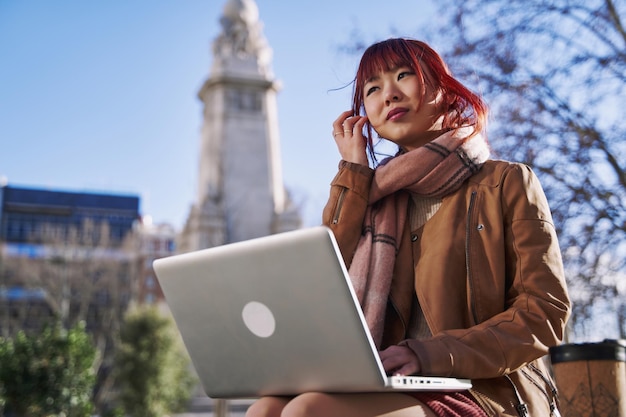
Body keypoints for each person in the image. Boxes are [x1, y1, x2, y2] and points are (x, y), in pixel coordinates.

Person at [245, 38, 571, 417]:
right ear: (363, 116)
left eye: (404, 75)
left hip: (484, 388)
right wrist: (353, 175)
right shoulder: (370, 199)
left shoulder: (505, 182)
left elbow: (543, 313)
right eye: (372, 88)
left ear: (444, 90)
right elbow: (322, 292)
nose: (389, 94)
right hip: (385, 383)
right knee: (265, 409)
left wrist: (426, 354)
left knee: (310, 411)